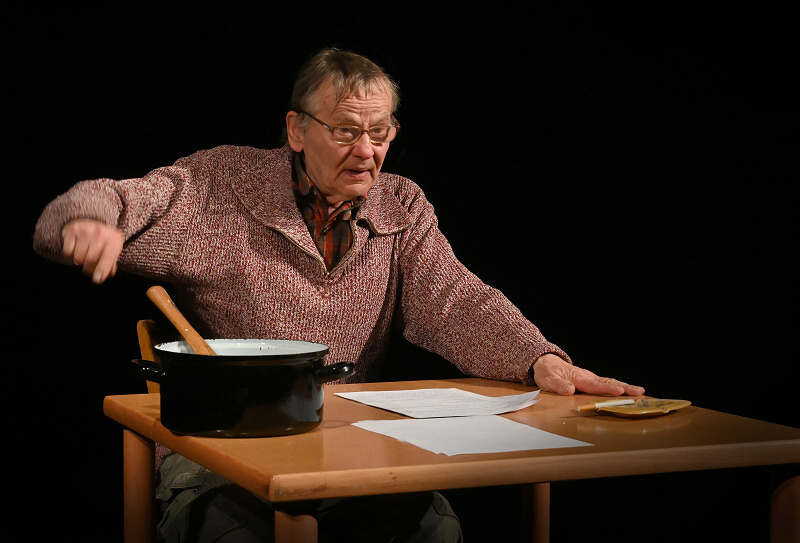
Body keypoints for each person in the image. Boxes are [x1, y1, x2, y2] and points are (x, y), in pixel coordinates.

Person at [33, 48, 644, 542]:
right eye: (347, 130)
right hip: (222, 447)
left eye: (380, 132)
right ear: (296, 130)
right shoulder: (221, 188)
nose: (367, 151)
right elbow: (114, 197)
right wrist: (87, 223)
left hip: (350, 445)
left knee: (432, 526)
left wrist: (537, 358)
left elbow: (456, 300)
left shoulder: (400, 204)